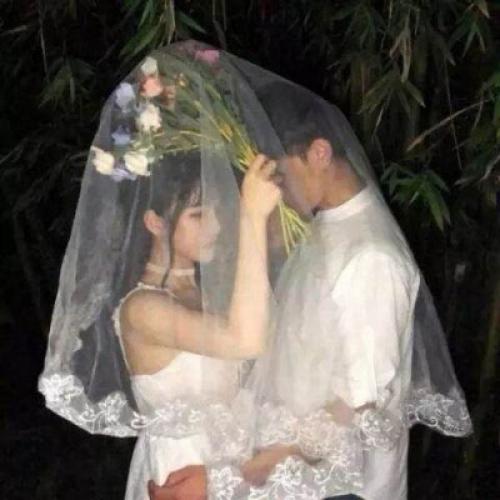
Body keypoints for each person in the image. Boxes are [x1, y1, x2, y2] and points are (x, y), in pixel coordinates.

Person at [149, 74, 472, 500]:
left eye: (280, 174)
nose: (277, 188)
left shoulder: (372, 257)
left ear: (319, 153)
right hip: (298, 474)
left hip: (344, 487)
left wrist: (231, 477)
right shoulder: (327, 225)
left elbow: (356, 405)